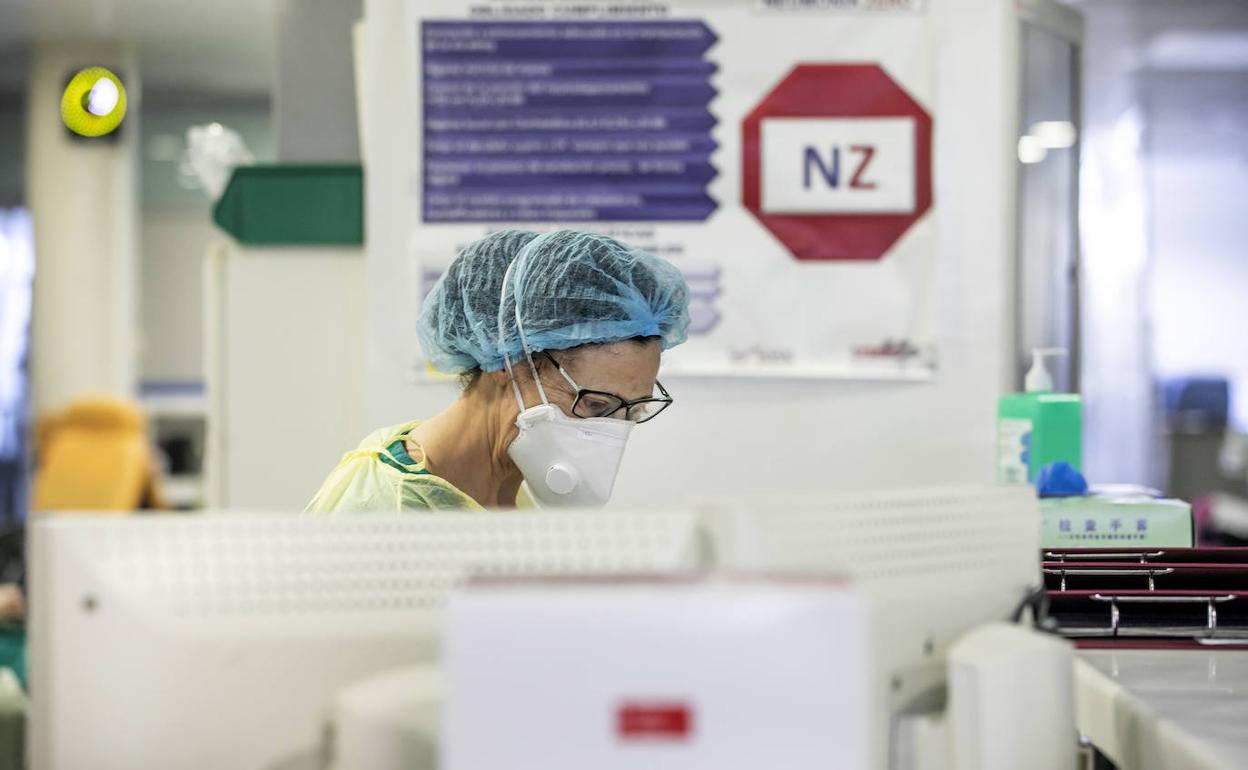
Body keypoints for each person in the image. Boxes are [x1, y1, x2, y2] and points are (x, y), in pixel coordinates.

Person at [306, 229, 691, 513]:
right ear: (511, 363)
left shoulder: (520, 486)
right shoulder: (379, 506)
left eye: (634, 409)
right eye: (595, 405)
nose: (612, 430)